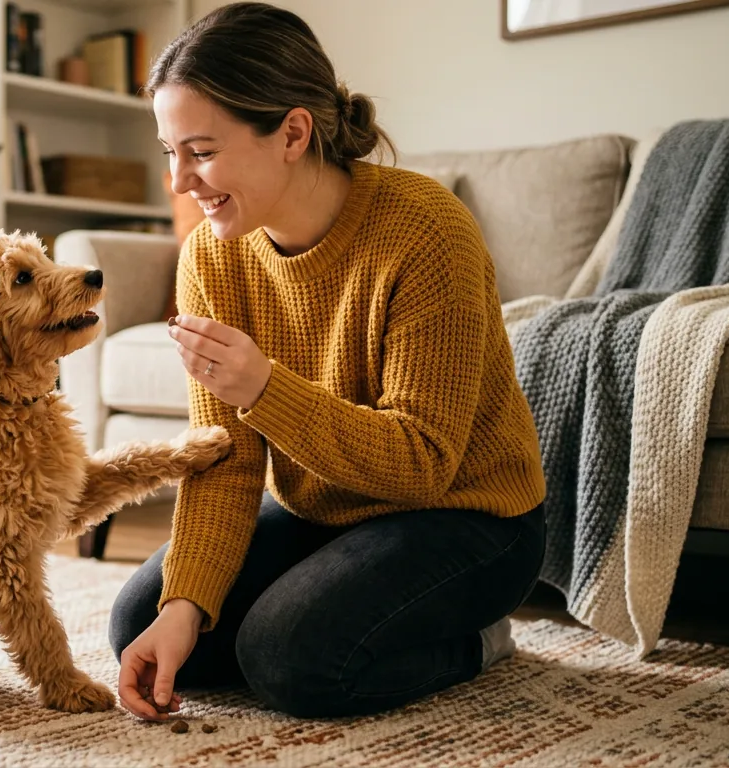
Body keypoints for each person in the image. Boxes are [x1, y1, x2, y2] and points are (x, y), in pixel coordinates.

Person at [109, 2, 548, 721]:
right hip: (325, 507)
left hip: (468, 519)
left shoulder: (427, 230)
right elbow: (224, 464)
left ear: (292, 132)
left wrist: (263, 386)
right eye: (170, 152)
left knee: (291, 659)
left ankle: (477, 641)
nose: (180, 181)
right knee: (145, 623)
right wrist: (187, 601)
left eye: (202, 150)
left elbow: (422, 462)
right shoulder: (211, 257)